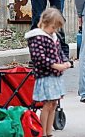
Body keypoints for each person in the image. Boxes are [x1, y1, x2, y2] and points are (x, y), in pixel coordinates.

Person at [25, 8, 71, 137]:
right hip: (45, 76)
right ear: (45, 23)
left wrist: (65, 61)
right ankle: (43, 131)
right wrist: (55, 65)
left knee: (54, 103)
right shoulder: (38, 37)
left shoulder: (53, 36)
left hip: (55, 76)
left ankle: (49, 131)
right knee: (47, 104)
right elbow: (39, 57)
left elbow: (60, 52)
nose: (54, 30)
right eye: (53, 27)